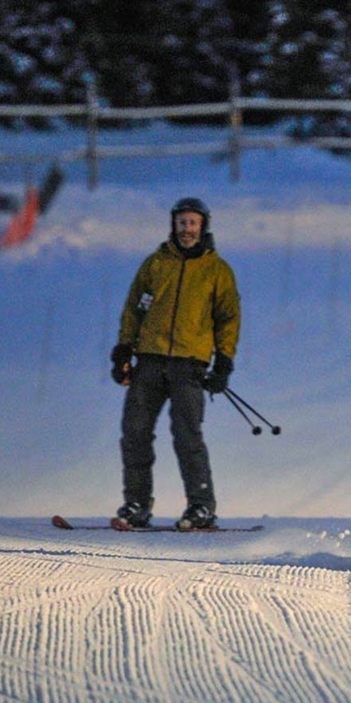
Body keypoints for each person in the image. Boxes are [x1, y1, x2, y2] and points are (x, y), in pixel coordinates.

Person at [110, 197, 241, 530]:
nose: (187, 229)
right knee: (135, 432)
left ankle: (201, 506)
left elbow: (228, 318)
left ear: (203, 226)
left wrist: (223, 361)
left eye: (193, 223)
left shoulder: (217, 271)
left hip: (190, 364)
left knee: (187, 436)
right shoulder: (155, 264)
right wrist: (124, 350)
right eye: (182, 222)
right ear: (174, 225)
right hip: (150, 361)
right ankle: (136, 504)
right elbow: (133, 309)